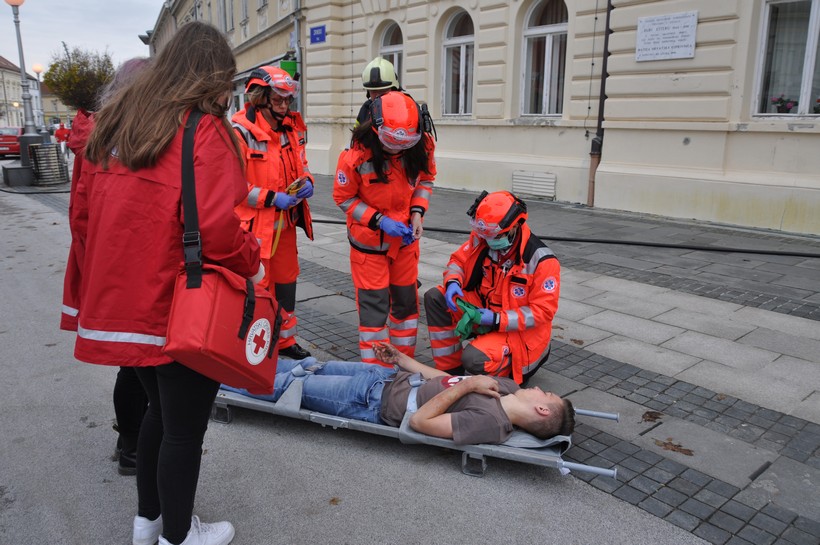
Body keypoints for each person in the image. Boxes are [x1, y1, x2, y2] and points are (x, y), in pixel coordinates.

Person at [76, 22, 261, 545]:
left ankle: (147, 524)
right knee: (184, 430)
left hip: (124, 302)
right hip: (181, 301)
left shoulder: (118, 126)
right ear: (214, 76)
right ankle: (179, 538)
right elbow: (222, 231)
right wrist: (253, 261)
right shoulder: (201, 130)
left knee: (160, 412)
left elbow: (85, 218)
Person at [61, 57, 152, 477]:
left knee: (132, 361)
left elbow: (81, 214)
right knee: (139, 360)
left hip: (109, 258)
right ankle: (136, 446)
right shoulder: (124, 137)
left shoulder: (101, 136)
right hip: (130, 261)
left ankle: (131, 442)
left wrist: (90, 259)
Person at [227, 342, 575, 444]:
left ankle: (213, 379)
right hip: (384, 377)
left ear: (542, 412)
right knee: (308, 367)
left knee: (287, 387)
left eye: (548, 394)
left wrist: (470, 384)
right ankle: (225, 360)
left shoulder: (491, 424)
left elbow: (422, 422)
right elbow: (445, 379)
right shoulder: (509, 388)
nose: (542, 388)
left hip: (368, 402)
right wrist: (404, 360)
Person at [334, 90, 436, 365]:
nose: (397, 149)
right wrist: (379, 221)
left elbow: (426, 180)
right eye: (390, 142)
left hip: (404, 243)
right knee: (374, 310)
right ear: (376, 128)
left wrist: (417, 214)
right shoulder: (355, 155)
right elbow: (343, 198)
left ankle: (403, 364)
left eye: (404, 143)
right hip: (369, 246)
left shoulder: (421, 146)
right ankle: (376, 372)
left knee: (405, 305)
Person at [423, 191, 560, 385]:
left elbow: (542, 312)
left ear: (514, 226)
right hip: (486, 312)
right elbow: (458, 262)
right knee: (435, 297)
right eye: (485, 235)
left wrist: (496, 319)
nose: (488, 241)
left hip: (518, 334)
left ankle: (510, 368)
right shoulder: (485, 236)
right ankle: (449, 372)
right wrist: (453, 282)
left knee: (473, 359)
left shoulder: (542, 261)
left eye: (494, 236)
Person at [232, 65, 315, 360]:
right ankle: (256, 351)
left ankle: (284, 342)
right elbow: (234, 187)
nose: (283, 107)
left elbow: (302, 165)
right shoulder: (239, 132)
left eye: (287, 101)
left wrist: (307, 183)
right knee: (258, 292)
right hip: (254, 230)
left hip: (285, 227)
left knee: (286, 286)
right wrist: (272, 198)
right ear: (259, 98)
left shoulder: (292, 128)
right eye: (277, 101)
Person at [354, 56, 400, 128]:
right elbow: (356, 136)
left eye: (383, 91)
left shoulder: (406, 107)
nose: (378, 95)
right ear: (368, 92)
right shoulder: (365, 109)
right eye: (374, 91)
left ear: (393, 89)